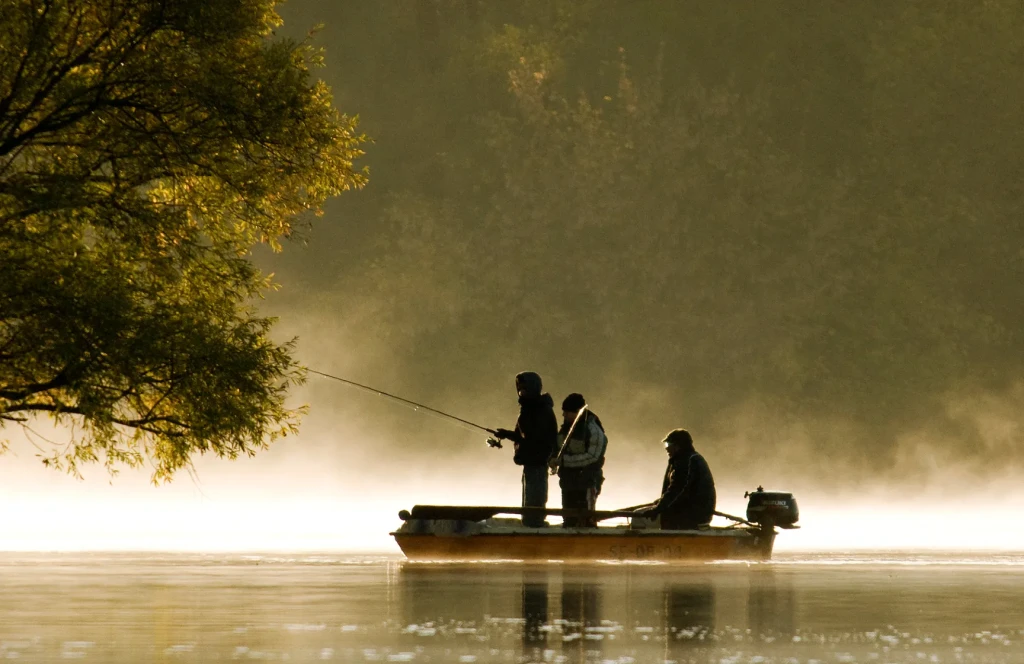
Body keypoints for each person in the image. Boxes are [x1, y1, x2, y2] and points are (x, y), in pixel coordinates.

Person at [493, 371, 558, 527]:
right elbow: (521, 434)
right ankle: (529, 524)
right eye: (519, 388)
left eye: (525, 388)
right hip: (529, 462)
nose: (521, 391)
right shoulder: (527, 408)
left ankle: (534, 526)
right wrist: (506, 434)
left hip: (538, 461)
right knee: (528, 499)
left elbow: (534, 437)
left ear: (534, 388)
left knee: (535, 499)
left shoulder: (541, 409)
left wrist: (514, 436)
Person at [634, 429, 716, 530]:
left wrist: (658, 509)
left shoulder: (687, 462)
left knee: (637, 516)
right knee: (644, 514)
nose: (666, 449)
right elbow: (680, 492)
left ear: (678, 446)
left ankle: (644, 544)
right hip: (692, 512)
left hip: (690, 515)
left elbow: (677, 490)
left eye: (668, 444)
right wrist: (660, 503)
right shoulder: (690, 459)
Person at [550, 393, 606, 527]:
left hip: (587, 482)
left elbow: (592, 457)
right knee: (568, 518)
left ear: (576, 412)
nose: (563, 415)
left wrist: (564, 462)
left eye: (566, 412)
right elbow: (556, 449)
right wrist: (551, 459)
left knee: (586, 519)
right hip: (568, 482)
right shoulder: (565, 429)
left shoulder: (593, 430)